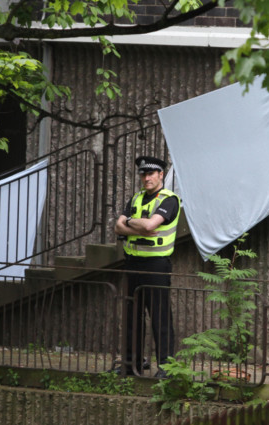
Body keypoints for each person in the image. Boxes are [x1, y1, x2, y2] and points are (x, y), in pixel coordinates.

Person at [113, 156, 180, 378]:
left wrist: (129, 222)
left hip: (156, 265)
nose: (146, 177)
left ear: (161, 175)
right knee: (133, 316)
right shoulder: (136, 198)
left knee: (160, 317)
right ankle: (133, 363)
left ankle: (166, 367)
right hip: (132, 263)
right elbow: (117, 227)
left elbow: (151, 225)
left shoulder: (169, 200)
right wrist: (137, 226)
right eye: (143, 174)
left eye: (151, 173)